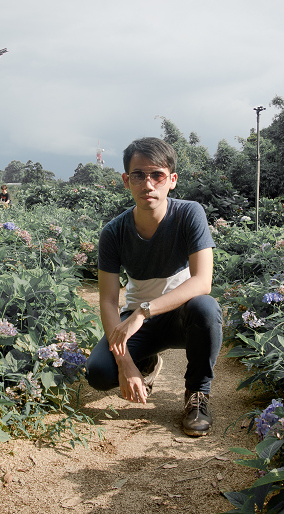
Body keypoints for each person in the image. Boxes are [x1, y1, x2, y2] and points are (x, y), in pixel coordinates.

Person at [85, 137, 222, 437]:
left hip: (179, 317)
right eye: (139, 175)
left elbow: (202, 281)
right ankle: (144, 361)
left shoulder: (189, 214)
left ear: (171, 180)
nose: (148, 184)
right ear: (126, 180)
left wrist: (143, 312)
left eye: (157, 175)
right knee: (99, 373)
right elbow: (108, 302)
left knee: (206, 308)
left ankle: (198, 394)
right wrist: (125, 364)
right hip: (138, 322)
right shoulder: (114, 232)